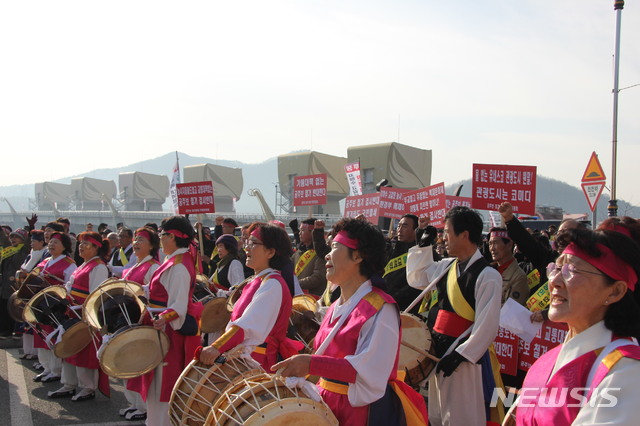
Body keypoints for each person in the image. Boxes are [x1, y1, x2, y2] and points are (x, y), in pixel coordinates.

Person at [273, 217, 427, 425]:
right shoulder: (336, 306)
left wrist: (311, 363)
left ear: (357, 256)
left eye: (335, 247)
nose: (327, 254)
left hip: (360, 413)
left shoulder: (381, 308)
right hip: (327, 405)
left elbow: (370, 370)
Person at [513, 228, 640, 425]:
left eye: (572, 271)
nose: (554, 281)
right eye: (555, 268)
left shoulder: (625, 370)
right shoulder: (548, 360)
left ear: (615, 292)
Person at [406, 206, 502, 426]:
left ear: (464, 235)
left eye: (447, 232)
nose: (444, 238)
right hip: (439, 352)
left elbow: (486, 325)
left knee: (463, 415)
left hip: (464, 358)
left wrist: (461, 355)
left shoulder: (488, 276)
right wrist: (423, 245)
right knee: (438, 416)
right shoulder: (447, 267)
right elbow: (417, 279)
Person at [127, 216, 201, 426]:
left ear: (173, 237)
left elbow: (178, 306)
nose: (160, 239)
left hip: (167, 333)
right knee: (157, 385)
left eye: (162, 235)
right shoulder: (174, 260)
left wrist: (162, 318)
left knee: (163, 386)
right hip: (160, 328)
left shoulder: (179, 265)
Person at [199, 222, 301, 372]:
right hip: (246, 359)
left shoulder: (272, 284)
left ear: (270, 252)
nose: (246, 247)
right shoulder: (259, 280)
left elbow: (246, 326)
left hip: (258, 363)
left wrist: (216, 347)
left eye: (253, 243)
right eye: (247, 242)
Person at [48, 231, 109, 401]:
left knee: (84, 352)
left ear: (96, 248)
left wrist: (83, 310)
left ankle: (88, 387)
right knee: (69, 348)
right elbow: (69, 287)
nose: (81, 246)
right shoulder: (82, 264)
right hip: (72, 312)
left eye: (86, 244)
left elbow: (96, 295)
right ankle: (69, 384)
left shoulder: (99, 267)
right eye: (81, 243)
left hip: (85, 315)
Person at [118, 227, 161, 422]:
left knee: (140, 362)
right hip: (128, 319)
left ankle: (143, 405)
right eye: (135, 239)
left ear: (152, 245)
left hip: (142, 320)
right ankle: (134, 403)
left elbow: (154, 295)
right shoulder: (133, 265)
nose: (136, 243)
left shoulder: (153, 267)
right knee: (129, 360)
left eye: (141, 240)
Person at [32, 232, 77, 383]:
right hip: (41, 304)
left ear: (64, 246)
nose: (51, 245)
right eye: (50, 242)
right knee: (42, 335)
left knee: (53, 337)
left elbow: (69, 287)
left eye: (56, 242)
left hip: (55, 307)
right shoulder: (45, 261)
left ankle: (56, 370)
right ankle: (46, 367)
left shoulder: (69, 264)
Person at [384, 214, 423, 313]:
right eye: (398, 226)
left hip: (405, 310)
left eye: (404, 226)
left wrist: (391, 300)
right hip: (384, 305)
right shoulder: (391, 249)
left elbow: (414, 286)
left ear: (416, 230)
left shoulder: (422, 253)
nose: (400, 230)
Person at [0, 227, 30, 339]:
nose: (13, 239)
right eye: (12, 236)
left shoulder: (25, 250)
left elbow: (29, 240)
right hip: (4, 285)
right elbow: (3, 239)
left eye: (16, 237)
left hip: (15, 286)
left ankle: (13, 330)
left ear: (23, 239)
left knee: (13, 309)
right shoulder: (8, 250)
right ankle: (4, 330)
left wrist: (30, 228)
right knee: (3, 308)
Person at [488, 227, 529, 306]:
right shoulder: (488, 271)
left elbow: (510, 311)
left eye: (495, 243)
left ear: (509, 245)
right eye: (490, 243)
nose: (492, 248)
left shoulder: (519, 276)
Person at [291, 218, 327, 297]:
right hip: (297, 296)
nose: (300, 233)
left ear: (312, 232)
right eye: (300, 230)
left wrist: (295, 284)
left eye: (303, 230)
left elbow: (318, 278)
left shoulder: (321, 253)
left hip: (314, 298)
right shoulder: (297, 253)